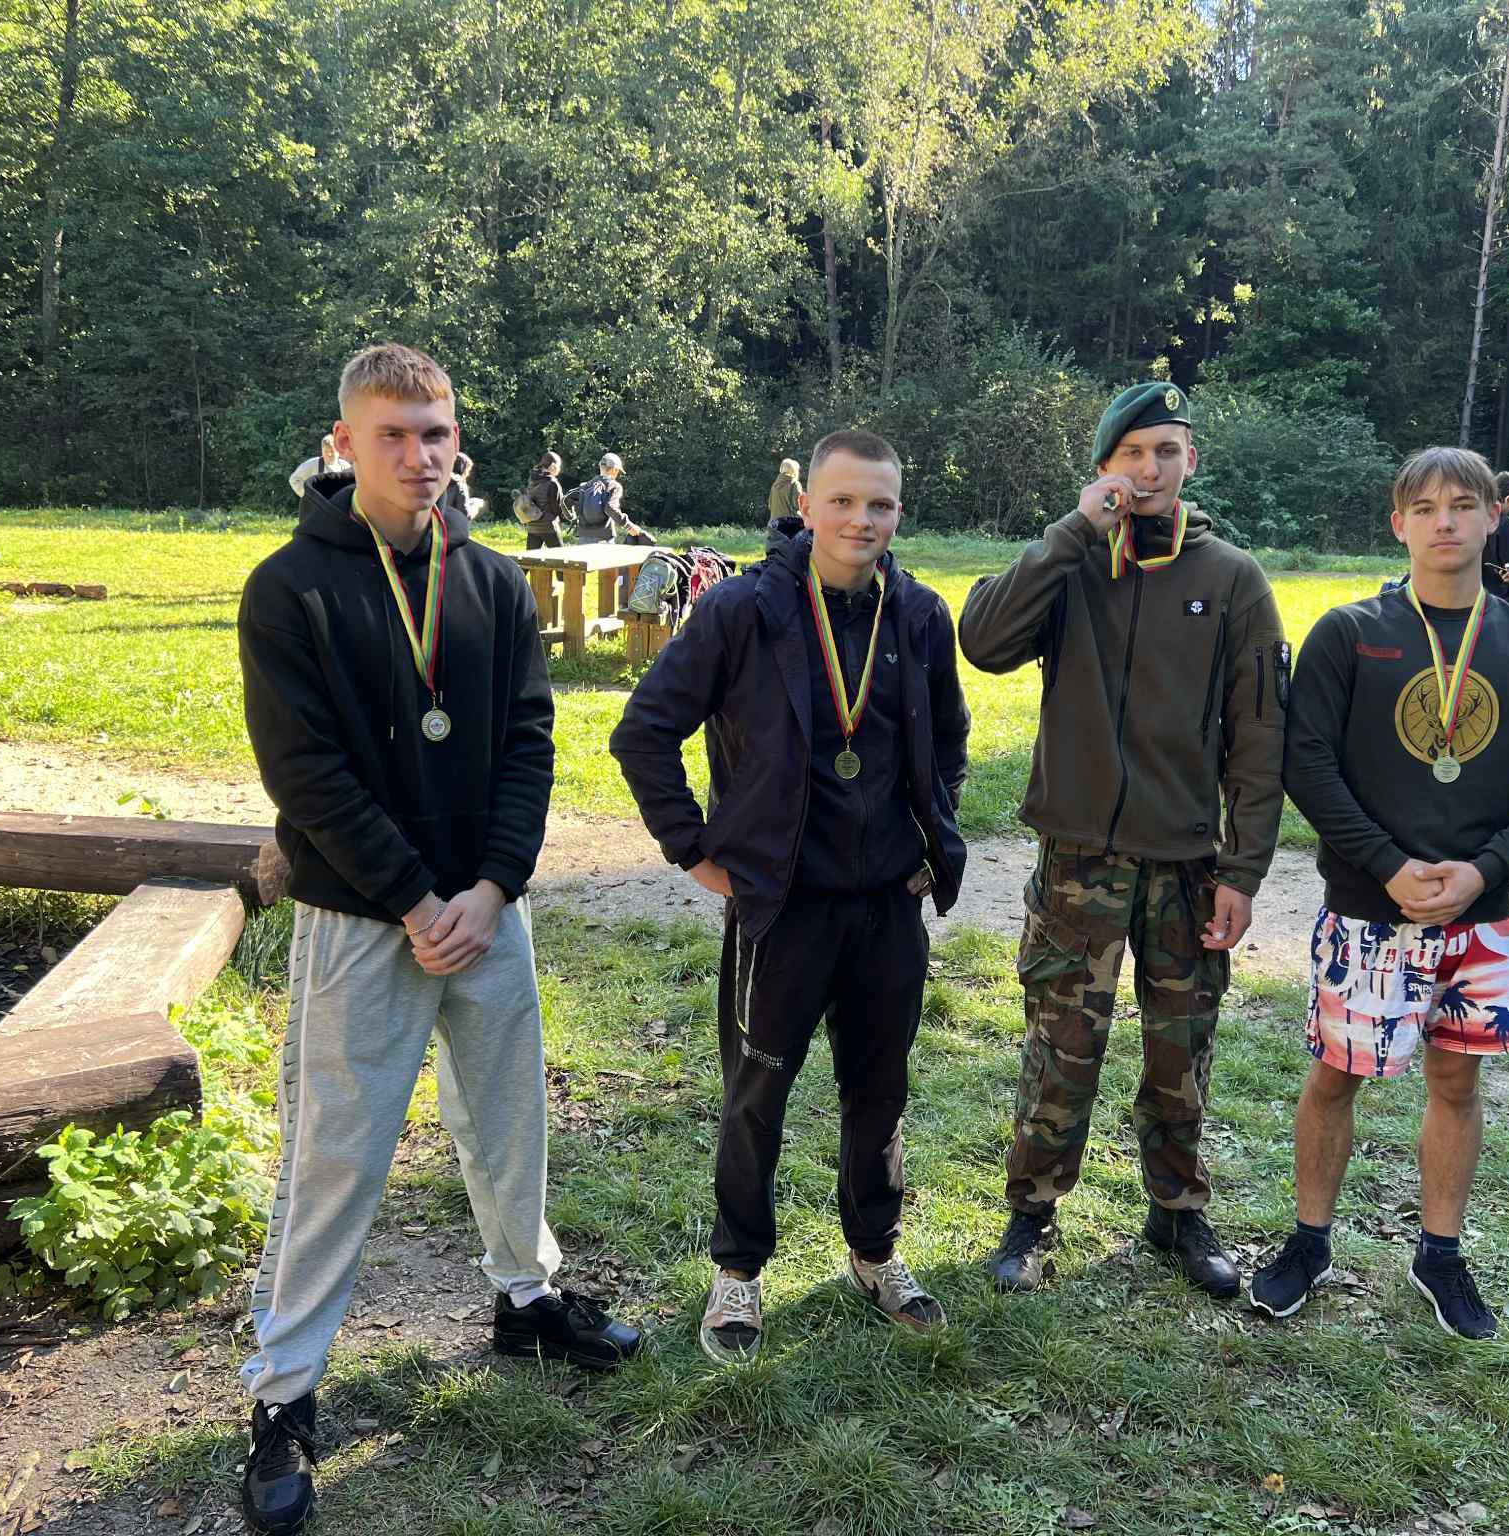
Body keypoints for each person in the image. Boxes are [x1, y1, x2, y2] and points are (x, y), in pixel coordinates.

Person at [235, 345, 639, 1534]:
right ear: (343, 445)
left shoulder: (495, 582)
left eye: (436, 433)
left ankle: (526, 1300)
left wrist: (496, 885)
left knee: (508, 1121)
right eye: (394, 435)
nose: (419, 456)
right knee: (336, 1155)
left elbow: (526, 740)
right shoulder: (290, 588)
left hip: (486, 911)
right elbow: (304, 774)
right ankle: (283, 1393)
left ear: (458, 441)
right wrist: (416, 900)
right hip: (365, 918)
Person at [609, 429, 969, 1365]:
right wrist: (693, 851)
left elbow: (951, 741)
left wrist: (931, 839)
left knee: (879, 1089)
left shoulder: (920, 616)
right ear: (805, 505)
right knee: (757, 1091)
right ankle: (737, 1269)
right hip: (783, 907)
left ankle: (875, 1253)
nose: (861, 520)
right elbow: (644, 732)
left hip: (887, 904)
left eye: (879, 504)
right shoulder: (742, 610)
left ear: (899, 513)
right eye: (842, 500)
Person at [959, 381, 1288, 1300]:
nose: (1149, 470)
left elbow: (1261, 736)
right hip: (1079, 863)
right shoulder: (1070, 563)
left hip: (1186, 866)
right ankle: (1032, 1211)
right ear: (1104, 466)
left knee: (1182, 1050)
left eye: (1166, 451)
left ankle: (1177, 1211)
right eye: (1131, 453)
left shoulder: (1233, 579)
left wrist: (1243, 870)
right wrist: (1073, 532)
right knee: (1062, 1045)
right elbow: (982, 640)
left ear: (1191, 462)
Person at [1256, 445, 1509, 1342]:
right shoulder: (1348, 632)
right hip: (1370, 910)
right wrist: (1385, 865)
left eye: (1464, 505)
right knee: (1337, 1075)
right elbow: (1306, 764)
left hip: (1480, 916)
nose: (1446, 521)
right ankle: (1309, 1242)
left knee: (1456, 1080)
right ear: (1398, 523)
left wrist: (1486, 871)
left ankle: (1440, 1254)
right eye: (1426, 507)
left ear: (1494, 518)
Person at [571, 452, 634, 544]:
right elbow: (610, 508)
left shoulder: (585, 486)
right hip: (604, 537)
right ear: (615, 470)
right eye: (618, 471)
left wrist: (571, 517)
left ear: (601, 467)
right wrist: (628, 526)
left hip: (584, 536)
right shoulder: (614, 486)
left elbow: (566, 500)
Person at [514, 452, 566, 549]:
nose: (559, 469)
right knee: (560, 556)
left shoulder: (532, 480)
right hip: (548, 527)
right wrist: (567, 517)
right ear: (553, 466)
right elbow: (557, 508)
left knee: (530, 557)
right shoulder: (552, 483)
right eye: (558, 466)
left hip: (532, 526)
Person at [288, 433, 351, 499]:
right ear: (322, 451)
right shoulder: (313, 464)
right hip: (319, 504)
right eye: (326, 452)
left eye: (332, 451)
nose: (329, 454)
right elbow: (294, 479)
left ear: (338, 451)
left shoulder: (346, 467)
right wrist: (309, 496)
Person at [768, 457, 805, 523]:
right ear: (794, 470)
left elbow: (770, 506)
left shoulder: (774, 486)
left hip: (774, 523)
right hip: (790, 523)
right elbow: (798, 505)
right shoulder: (794, 484)